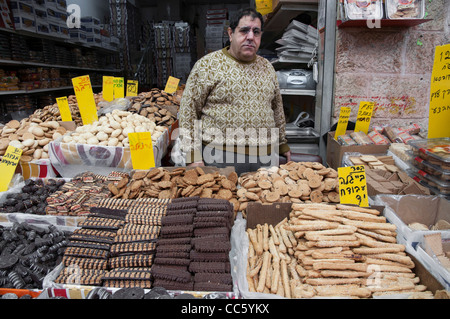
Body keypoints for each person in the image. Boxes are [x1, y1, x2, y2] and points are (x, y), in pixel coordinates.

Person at [178, 7, 291, 175]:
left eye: (256, 32)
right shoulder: (207, 65)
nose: (250, 37)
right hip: (219, 157)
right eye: (244, 30)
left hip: (265, 158)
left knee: (264, 200)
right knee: (223, 201)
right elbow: (188, 111)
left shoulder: (267, 67)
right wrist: (193, 155)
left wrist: (282, 143)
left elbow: (277, 109)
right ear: (230, 33)